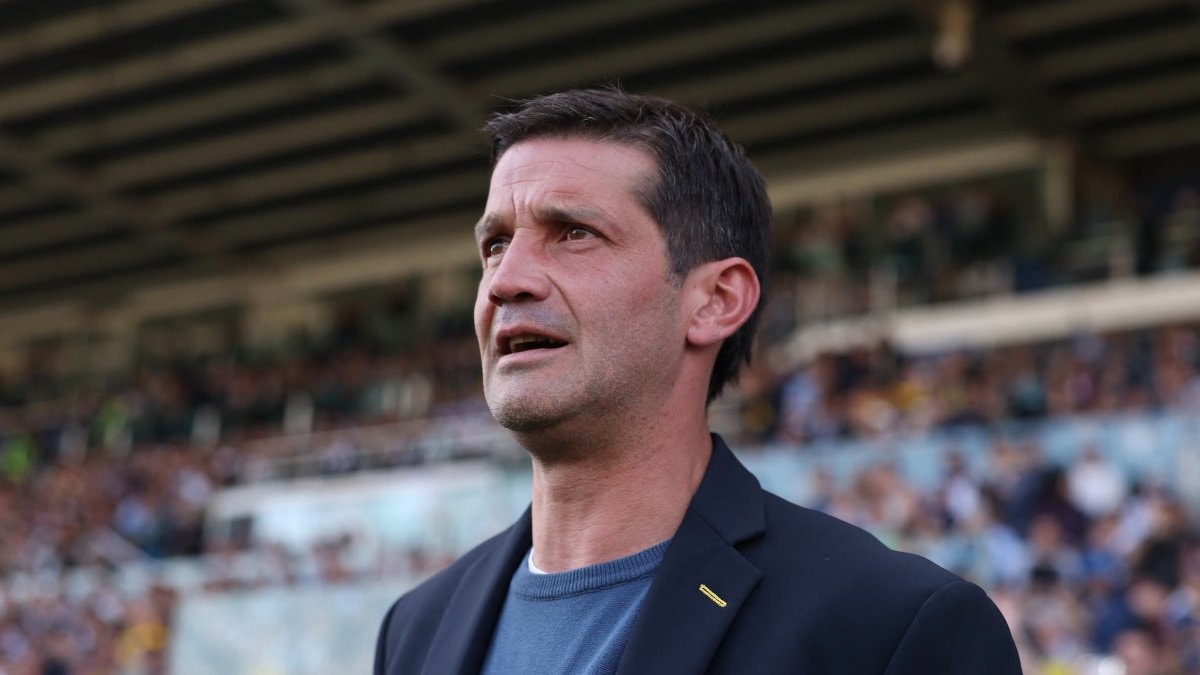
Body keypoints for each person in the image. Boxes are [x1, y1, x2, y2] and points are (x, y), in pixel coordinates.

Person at [374, 88, 1021, 674]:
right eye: (494, 244)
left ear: (715, 300)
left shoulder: (891, 626)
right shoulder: (415, 630)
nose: (506, 280)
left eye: (573, 233)